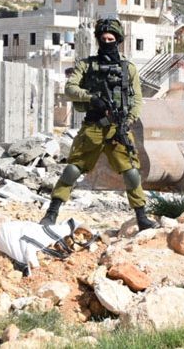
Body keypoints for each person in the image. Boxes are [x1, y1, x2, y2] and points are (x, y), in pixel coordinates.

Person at [40, 18, 157, 230]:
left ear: (118, 40)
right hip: (93, 126)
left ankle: (141, 217)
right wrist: (91, 97)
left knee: (131, 172)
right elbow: (70, 88)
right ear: (98, 40)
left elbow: (137, 99)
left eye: (111, 39)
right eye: (103, 39)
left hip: (118, 128)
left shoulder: (128, 68)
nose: (107, 42)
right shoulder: (87, 65)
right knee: (73, 171)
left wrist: (128, 120)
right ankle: (52, 212)